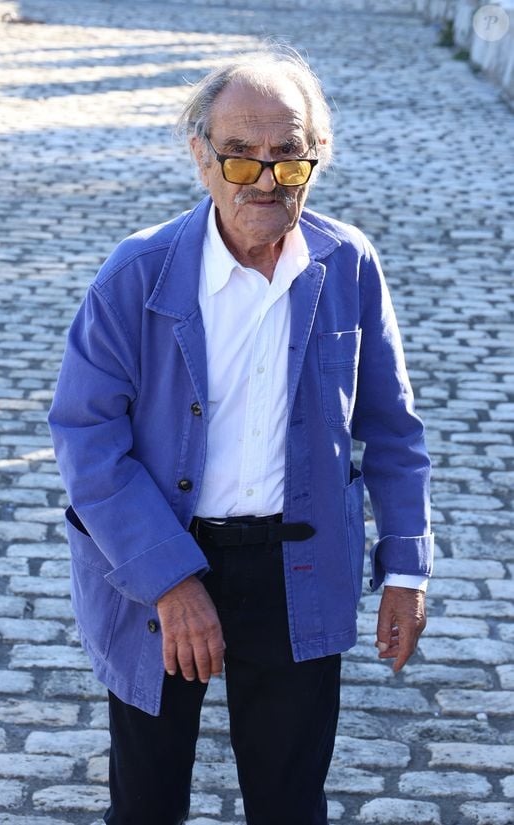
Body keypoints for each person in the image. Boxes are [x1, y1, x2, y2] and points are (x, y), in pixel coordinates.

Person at [48, 44, 434, 825]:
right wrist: (170, 580)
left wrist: (407, 566)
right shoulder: (137, 273)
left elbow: (392, 428)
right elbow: (86, 437)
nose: (265, 180)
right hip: (157, 566)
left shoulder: (347, 264)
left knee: (291, 802)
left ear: (316, 159)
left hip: (298, 563)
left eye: (288, 157)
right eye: (240, 157)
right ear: (200, 157)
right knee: (148, 802)